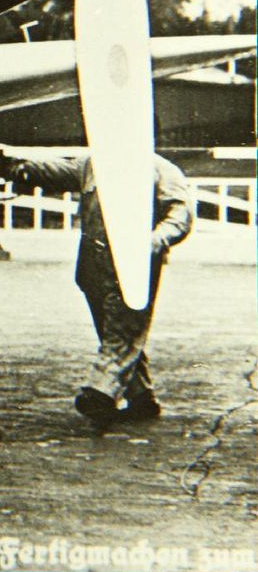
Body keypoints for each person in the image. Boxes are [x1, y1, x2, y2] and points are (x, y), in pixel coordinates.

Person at [11, 151, 193, 426]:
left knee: (122, 328)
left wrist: (155, 240)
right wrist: (23, 169)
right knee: (114, 328)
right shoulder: (93, 164)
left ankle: (100, 392)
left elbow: (181, 214)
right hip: (93, 264)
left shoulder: (162, 170)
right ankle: (141, 397)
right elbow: (60, 171)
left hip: (133, 263)